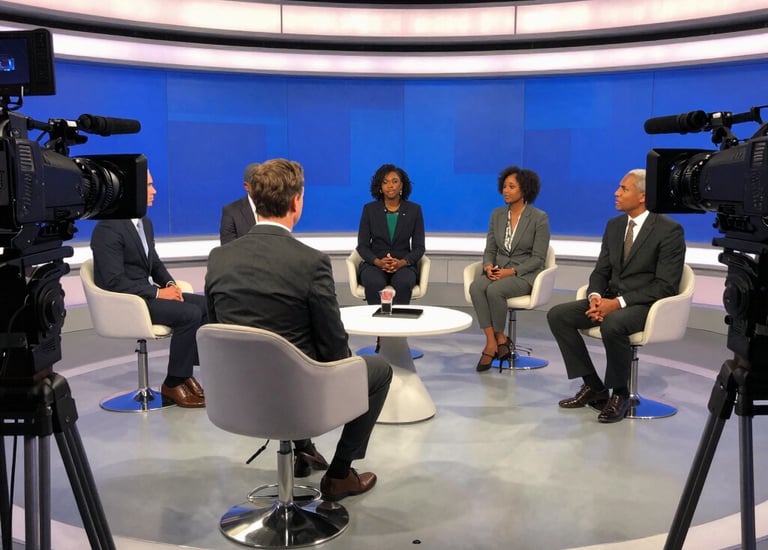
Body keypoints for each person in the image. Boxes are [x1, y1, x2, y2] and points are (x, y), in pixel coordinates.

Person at [205, 158, 392, 501]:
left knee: (287, 361)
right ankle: (339, 475)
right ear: (296, 202)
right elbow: (335, 349)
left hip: (234, 397)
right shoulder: (311, 262)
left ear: (255, 200)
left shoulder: (219, 259)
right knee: (377, 369)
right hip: (298, 399)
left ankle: (303, 448)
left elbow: (214, 328)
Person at [546, 168, 685, 423]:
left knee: (614, 323)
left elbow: (665, 286)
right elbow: (601, 270)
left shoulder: (669, 230)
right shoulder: (614, 226)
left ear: (642, 196)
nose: (616, 193)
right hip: (610, 299)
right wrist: (595, 297)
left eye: (623, 189)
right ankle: (594, 386)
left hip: (644, 305)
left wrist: (618, 304)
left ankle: (620, 394)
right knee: (558, 315)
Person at [91, 168, 208, 408]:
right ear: (132, 191)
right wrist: (157, 293)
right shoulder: (108, 229)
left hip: (145, 295)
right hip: (126, 301)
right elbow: (114, 282)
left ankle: (185, 373)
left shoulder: (144, 222)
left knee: (204, 305)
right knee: (189, 314)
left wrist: (170, 285)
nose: (154, 191)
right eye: (148, 186)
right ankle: (173, 382)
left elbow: (153, 262)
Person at [468, 166, 550, 372]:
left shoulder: (539, 218)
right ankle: (493, 341)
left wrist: (511, 272)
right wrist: (487, 266)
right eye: (504, 186)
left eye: (511, 187)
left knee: (495, 290)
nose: (506, 190)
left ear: (524, 190)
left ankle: (499, 340)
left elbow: (538, 259)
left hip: (522, 274)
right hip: (497, 270)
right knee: (477, 287)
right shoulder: (497, 215)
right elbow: (490, 249)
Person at [356, 164, 425, 306]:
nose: (390, 186)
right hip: (374, 264)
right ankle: (376, 324)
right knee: (374, 283)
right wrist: (377, 262)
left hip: (403, 264)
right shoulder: (369, 209)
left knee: (404, 283)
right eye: (385, 182)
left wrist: (402, 263)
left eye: (395, 181)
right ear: (380, 186)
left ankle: (399, 324)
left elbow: (419, 247)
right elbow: (362, 246)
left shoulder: (414, 210)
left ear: (402, 186)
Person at [219, 162, 259, 244]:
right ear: (246, 186)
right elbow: (228, 249)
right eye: (257, 184)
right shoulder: (231, 212)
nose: (262, 188)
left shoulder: (275, 209)